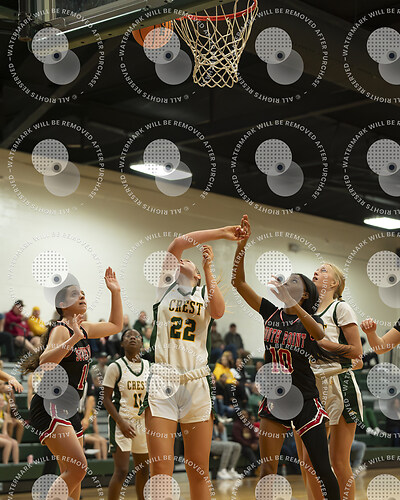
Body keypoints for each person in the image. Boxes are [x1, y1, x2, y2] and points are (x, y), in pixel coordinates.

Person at [232, 215, 349, 500]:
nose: (287, 282)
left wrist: (295, 306)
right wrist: (241, 247)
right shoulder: (270, 312)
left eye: (294, 281)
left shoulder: (310, 320)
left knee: (322, 469)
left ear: (305, 292)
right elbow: (238, 282)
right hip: (275, 399)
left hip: (306, 400)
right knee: (267, 470)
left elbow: (319, 334)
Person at [139, 223, 247, 500]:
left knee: (198, 470)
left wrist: (208, 269)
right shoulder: (164, 288)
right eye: (181, 261)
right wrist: (222, 233)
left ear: (197, 275)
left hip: (196, 382)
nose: (183, 260)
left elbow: (219, 312)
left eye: (190, 262)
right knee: (160, 470)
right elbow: (178, 243)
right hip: (163, 380)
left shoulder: (203, 294)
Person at [20, 267, 123, 500]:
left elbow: (116, 325)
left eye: (83, 293)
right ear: (62, 304)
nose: (82, 295)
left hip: (69, 409)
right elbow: (45, 362)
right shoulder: (61, 329)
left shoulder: (84, 328)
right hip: (50, 404)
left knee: (72, 477)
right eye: (76, 294)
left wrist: (115, 292)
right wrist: (74, 337)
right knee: (78, 468)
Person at [295, 263, 363, 500]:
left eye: (324, 270)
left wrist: (322, 342)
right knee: (306, 462)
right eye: (316, 269)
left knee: (338, 461)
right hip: (307, 385)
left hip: (337, 383)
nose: (316, 271)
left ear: (334, 283)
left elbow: (357, 351)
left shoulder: (340, 308)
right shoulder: (305, 310)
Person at [103, 329, 150, 500]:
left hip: (142, 423)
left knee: (143, 470)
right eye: (128, 336)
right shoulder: (115, 367)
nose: (132, 338)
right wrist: (121, 422)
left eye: (136, 336)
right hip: (121, 421)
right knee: (122, 471)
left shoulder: (149, 367)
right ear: (122, 343)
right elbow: (106, 399)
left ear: (142, 343)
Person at [232, 409, 259, 474]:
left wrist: (255, 443)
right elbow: (238, 439)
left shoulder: (249, 424)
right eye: (242, 415)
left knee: (260, 448)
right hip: (242, 446)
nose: (244, 416)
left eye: (246, 415)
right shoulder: (236, 425)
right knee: (249, 451)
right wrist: (250, 445)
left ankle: (265, 467)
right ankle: (257, 468)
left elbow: (254, 436)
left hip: (251, 444)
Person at [0, 381, 19, 464]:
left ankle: (16, 465)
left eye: (3, 401)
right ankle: (5, 464)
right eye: (0, 401)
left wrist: (6, 436)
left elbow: (4, 431)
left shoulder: (4, 414)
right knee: (8, 443)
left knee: (14, 442)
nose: (2, 403)